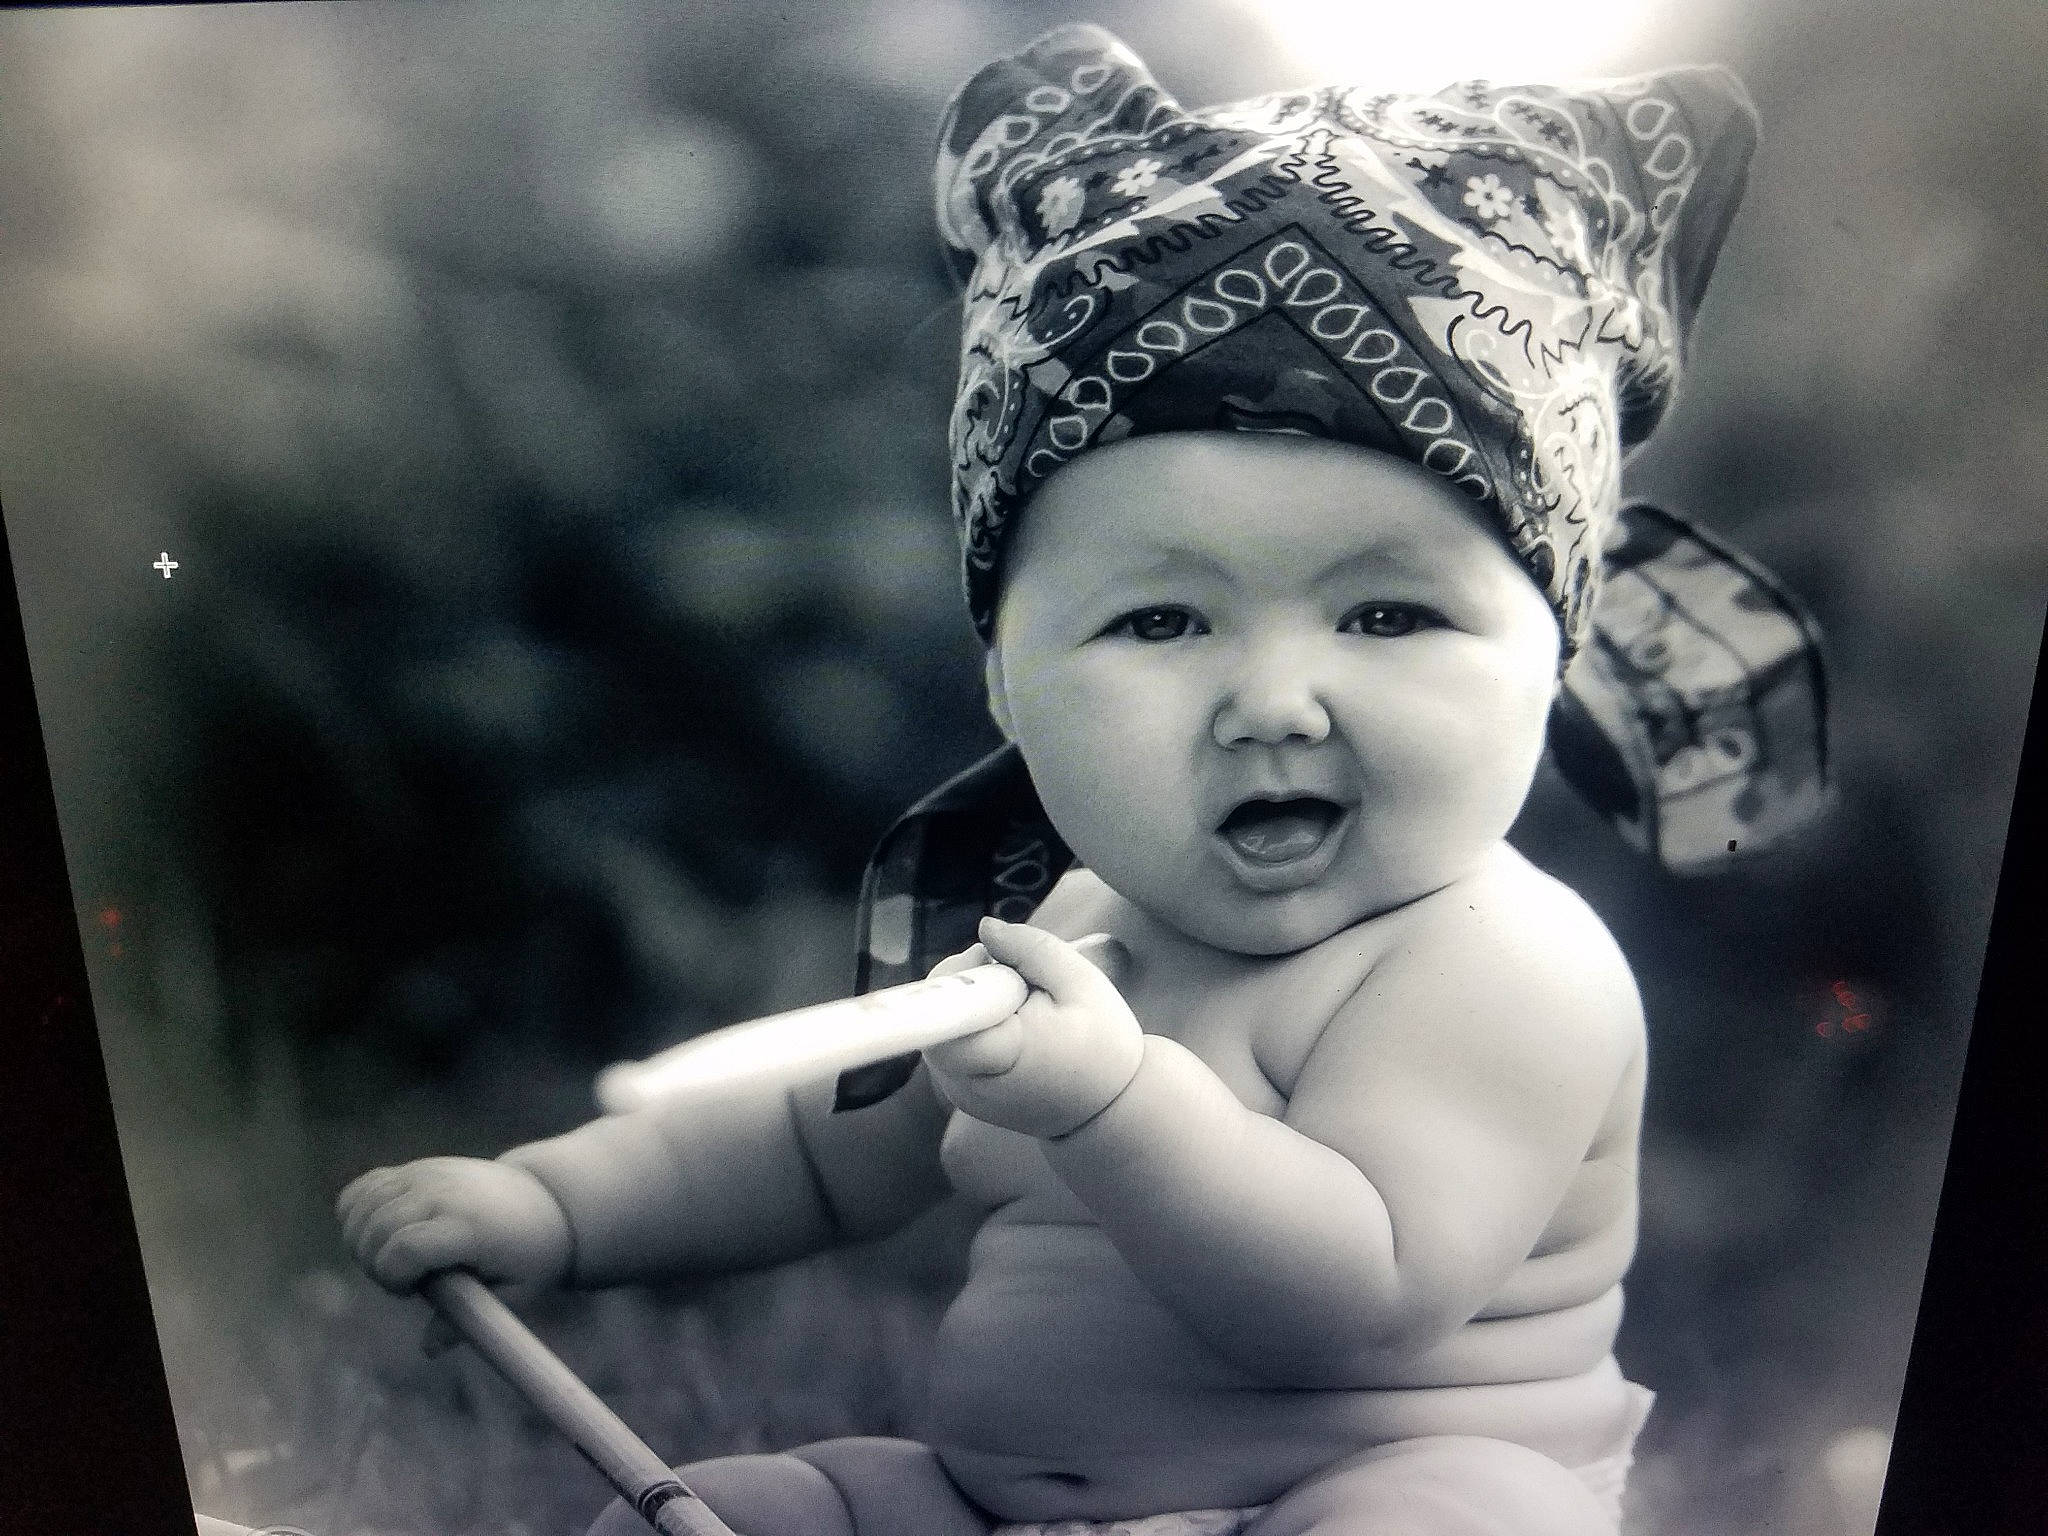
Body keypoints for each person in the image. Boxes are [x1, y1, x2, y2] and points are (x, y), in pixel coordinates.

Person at [338, 25, 1830, 1535]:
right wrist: (557, 1207)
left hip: (1366, 1490)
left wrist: (1112, 1101)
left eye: (1387, 614)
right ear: (1006, 680)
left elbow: (1357, 1297)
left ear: (1551, 655)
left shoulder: (1507, 968)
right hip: (997, 1508)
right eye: (1161, 620)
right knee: (749, 1516)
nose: (1273, 701)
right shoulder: (1059, 921)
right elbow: (812, 1143)